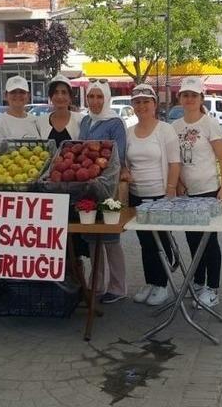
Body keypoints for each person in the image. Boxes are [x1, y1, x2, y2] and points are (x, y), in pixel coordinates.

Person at [171, 77, 222, 309]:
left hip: (208, 191)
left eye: (194, 95)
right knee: (193, 241)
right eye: (185, 95)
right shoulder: (174, 127)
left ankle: (213, 289)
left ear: (201, 99)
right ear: (180, 98)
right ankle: (198, 282)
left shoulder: (209, 124)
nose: (189, 99)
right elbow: (174, 161)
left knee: (209, 242)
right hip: (187, 194)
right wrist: (178, 185)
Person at [120, 84, 181, 306]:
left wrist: (170, 191)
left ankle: (162, 285)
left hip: (160, 195)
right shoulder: (128, 133)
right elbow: (124, 163)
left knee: (161, 241)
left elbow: (175, 163)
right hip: (137, 196)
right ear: (132, 106)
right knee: (145, 241)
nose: (142, 106)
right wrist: (125, 172)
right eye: (137, 102)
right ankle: (150, 281)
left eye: (146, 101)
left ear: (154, 104)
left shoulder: (165, 130)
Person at [79, 80, 128, 304]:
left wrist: (101, 178)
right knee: (91, 236)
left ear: (107, 98)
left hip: (108, 187)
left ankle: (118, 287)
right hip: (87, 187)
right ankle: (96, 284)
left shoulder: (115, 123)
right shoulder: (85, 121)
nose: (96, 101)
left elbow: (118, 155)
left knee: (110, 237)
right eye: (92, 97)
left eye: (100, 97)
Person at [0, 75, 39, 141]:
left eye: (22, 92)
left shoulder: (35, 121)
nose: (18, 95)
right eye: (13, 92)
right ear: (5, 95)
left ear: (28, 96)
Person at [36, 74, 84, 143]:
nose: (60, 97)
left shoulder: (81, 121)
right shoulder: (40, 122)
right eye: (55, 92)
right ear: (50, 97)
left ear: (70, 97)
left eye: (64, 92)